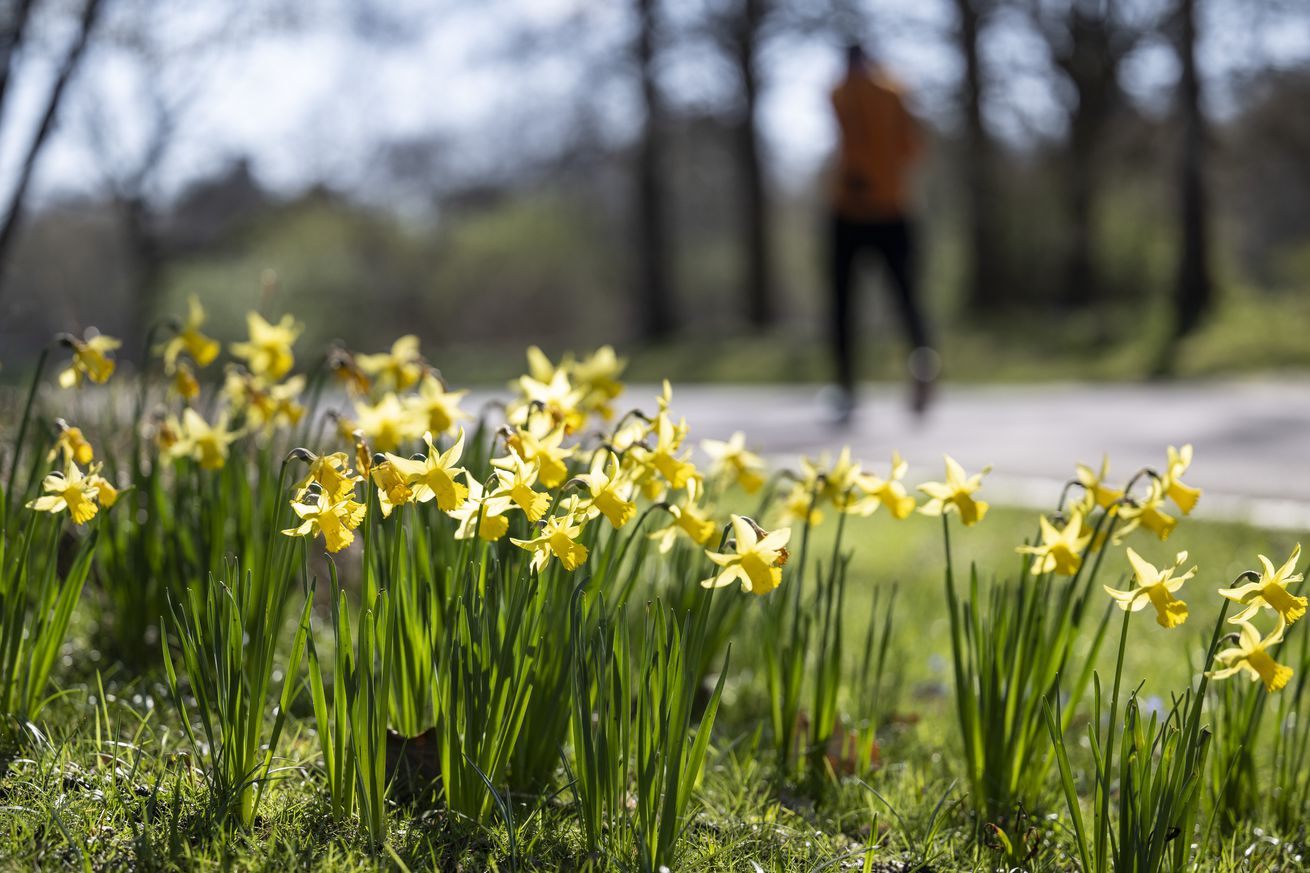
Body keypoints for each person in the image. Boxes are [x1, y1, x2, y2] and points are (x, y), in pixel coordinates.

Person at [826, 42, 938, 425]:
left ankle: (846, 387)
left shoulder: (842, 91)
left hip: (851, 209)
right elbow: (912, 147)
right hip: (895, 207)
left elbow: (849, 138)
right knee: (907, 296)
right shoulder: (897, 90)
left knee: (843, 303)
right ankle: (922, 358)